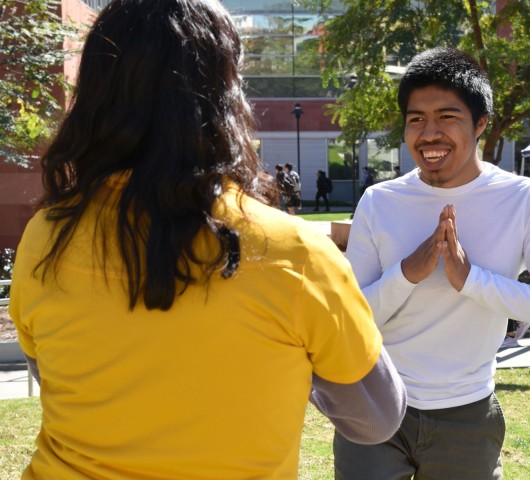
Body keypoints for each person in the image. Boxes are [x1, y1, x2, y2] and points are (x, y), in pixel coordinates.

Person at [8, 1, 406, 478]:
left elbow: (47, 372)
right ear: (227, 95)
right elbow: (376, 419)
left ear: (96, 94)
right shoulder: (296, 254)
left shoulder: (46, 234)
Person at [337, 47, 530, 479]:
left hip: (467, 415)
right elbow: (349, 318)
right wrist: (407, 274)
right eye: (416, 119)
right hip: (375, 406)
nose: (429, 133)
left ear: (481, 124)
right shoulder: (379, 201)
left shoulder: (523, 199)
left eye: (447, 116)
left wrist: (471, 279)